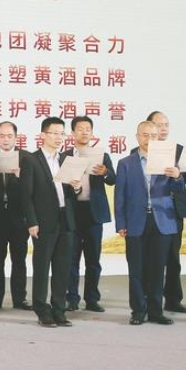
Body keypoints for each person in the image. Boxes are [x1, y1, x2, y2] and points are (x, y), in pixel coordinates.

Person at [115, 121, 184, 325]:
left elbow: (179, 190)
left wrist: (177, 177)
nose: (149, 139)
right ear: (137, 137)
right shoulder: (126, 163)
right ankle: (138, 310)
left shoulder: (168, 161)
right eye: (145, 135)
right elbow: (120, 196)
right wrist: (121, 223)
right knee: (136, 269)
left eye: (153, 135)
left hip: (162, 220)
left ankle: (155, 311)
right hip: (136, 221)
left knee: (157, 268)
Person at [22, 117, 82, 327]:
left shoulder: (66, 159)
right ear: (43, 135)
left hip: (66, 219)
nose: (59, 138)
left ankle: (59, 309)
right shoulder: (31, 160)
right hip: (43, 221)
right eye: (54, 133)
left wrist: (76, 187)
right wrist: (31, 221)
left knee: (62, 267)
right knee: (42, 267)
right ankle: (42, 310)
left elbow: (72, 193)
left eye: (62, 133)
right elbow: (26, 195)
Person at [147, 111, 186, 314]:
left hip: (173, 211)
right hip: (150, 211)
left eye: (166, 124)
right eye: (159, 124)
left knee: (173, 258)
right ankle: (150, 299)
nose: (163, 128)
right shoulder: (140, 151)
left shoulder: (179, 150)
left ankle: (173, 299)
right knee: (151, 258)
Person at [64, 116, 116, 313]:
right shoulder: (65, 156)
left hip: (94, 213)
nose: (84, 132)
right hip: (72, 212)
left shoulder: (102, 156)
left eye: (88, 129)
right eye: (80, 129)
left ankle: (92, 299)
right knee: (71, 259)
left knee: (93, 260)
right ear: (72, 133)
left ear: (92, 133)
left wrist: (105, 172)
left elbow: (113, 179)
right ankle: (72, 299)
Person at [0, 121, 33, 311]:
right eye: (2, 136)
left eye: (9, 136)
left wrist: (21, 178)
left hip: (19, 216)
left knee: (19, 260)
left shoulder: (27, 158)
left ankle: (20, 299)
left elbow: (33, 189)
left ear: (16, 137)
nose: (5, 139)